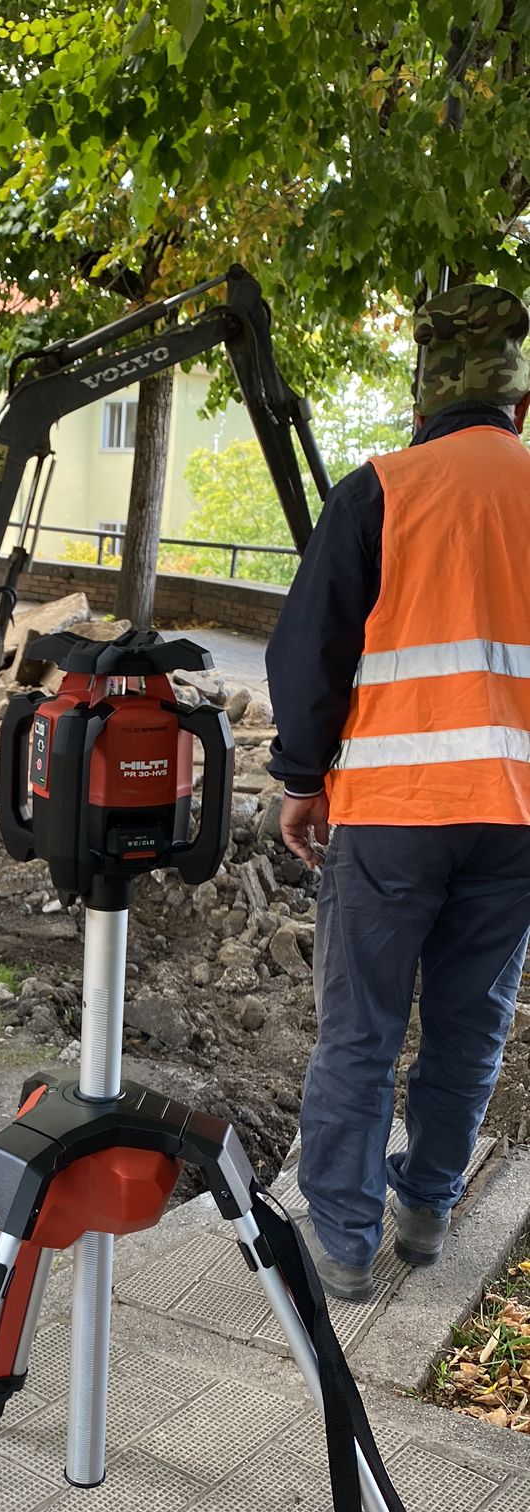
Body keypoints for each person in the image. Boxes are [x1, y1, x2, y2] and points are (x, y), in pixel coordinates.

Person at [266, 283, 530, 1303]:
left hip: (393, 810)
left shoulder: (381, 490)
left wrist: (301, 778)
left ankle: (341, 1236)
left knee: (363, 1027)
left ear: (422, 397)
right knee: (474, 1019)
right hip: (515, 821)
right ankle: (424, 1212)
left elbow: (309, 657)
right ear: (517, 399)